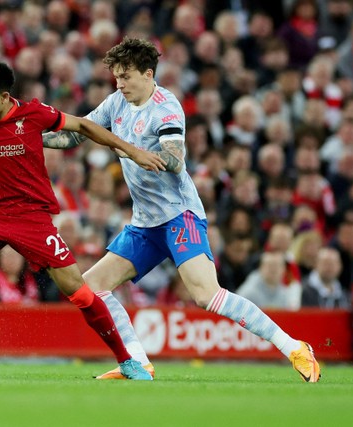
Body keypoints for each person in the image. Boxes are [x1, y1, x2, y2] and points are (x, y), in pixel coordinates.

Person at [42, 38, 320, 382]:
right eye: (116, 77)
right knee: (92, 286)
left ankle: (294, 347)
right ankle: (137, 363)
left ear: (148, 73)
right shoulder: (116, 103)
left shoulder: (167, 108)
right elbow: (75, 136)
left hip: (179, 215)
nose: (119, 84)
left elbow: (175, 161)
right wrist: (27, 133)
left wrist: (127, 148)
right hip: (145, 223)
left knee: (207, 295)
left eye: (126, 76)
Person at [0, 60, 164, 380]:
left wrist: (132, 151)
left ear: (4, 97)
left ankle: (126, 360)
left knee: (77, 290)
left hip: (31, 218)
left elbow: (84, 126)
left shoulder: (35, 114)